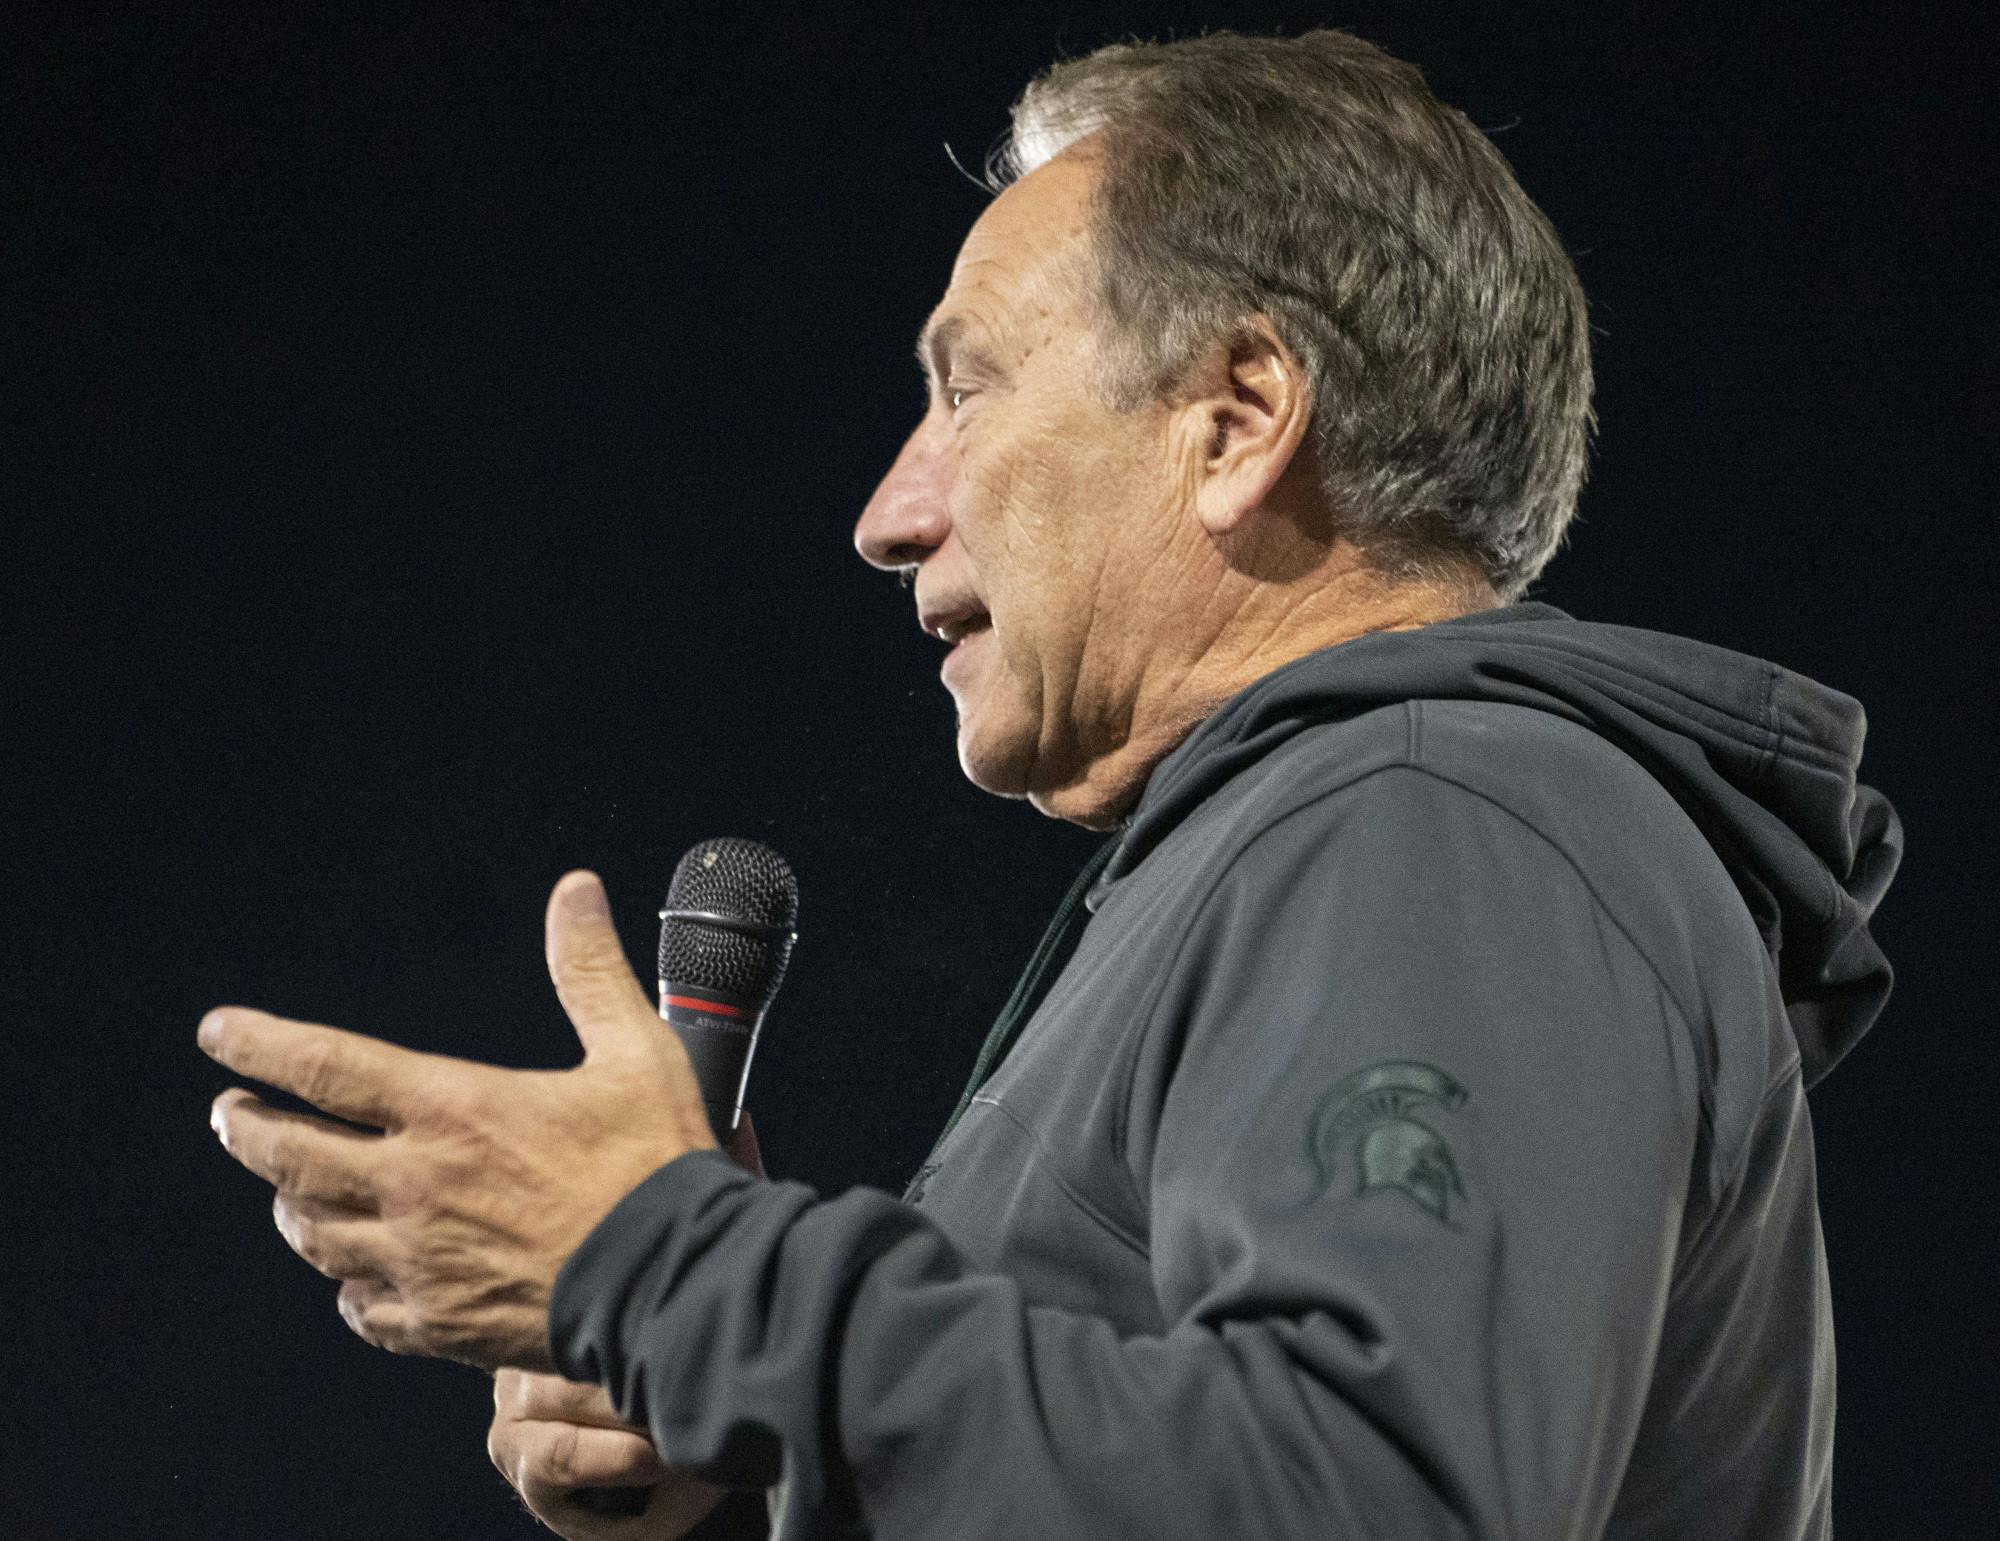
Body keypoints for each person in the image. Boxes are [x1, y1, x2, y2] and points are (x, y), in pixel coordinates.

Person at [202, 28, 1902, 1541]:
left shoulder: (1438, 817)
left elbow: (1366, 1499)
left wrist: (677, 1272)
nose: (888, 510)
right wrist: (743, 1441)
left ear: (1235, 421)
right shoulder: (1341, 839)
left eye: (966, 388)